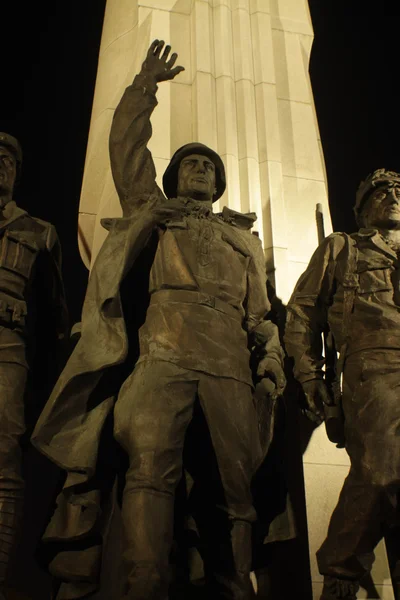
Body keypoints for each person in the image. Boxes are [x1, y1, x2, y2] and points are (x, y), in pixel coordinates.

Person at [32, 40, 286, 600]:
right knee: (148, 471)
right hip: (162, 359)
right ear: (174, 179)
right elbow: (126, 149)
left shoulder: (243, 240)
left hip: (230, 374)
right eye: (190, 163)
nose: (199, 169)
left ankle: (233, 588)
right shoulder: (156, 214)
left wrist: (271, 357)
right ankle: (142, 585)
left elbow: (261, 316)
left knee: (232, 491)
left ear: (219, 185)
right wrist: (143, 86)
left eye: (209, 166)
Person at [284, 168, 400, 600]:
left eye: (399, 191)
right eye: (380, 191)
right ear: (362, 206)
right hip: (374, 365)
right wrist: (311, 376)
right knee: (381, 469)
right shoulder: (343, 247)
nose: (391, 196)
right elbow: (301, 315)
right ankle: (341, 569)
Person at [0, 133, 67, 599]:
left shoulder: (38, 231)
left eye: (7, 160)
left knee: (3, 464)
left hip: (9, 348)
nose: (0, 165)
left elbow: (53, 317)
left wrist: (41, 390)